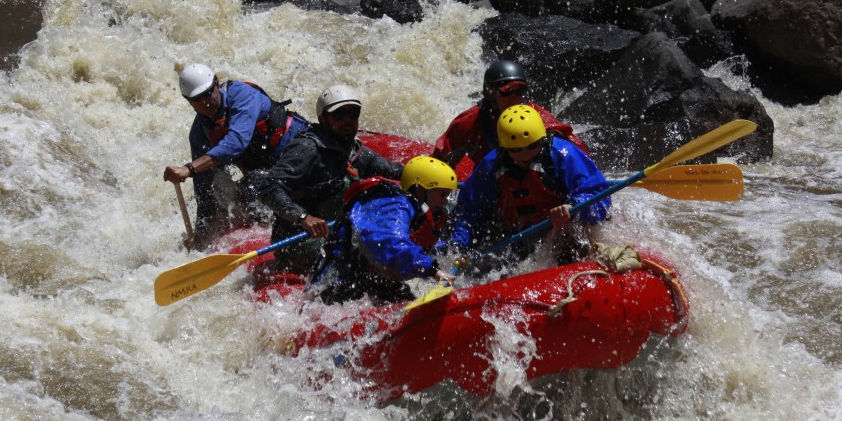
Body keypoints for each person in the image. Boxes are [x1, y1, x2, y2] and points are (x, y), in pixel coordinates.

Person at [255, 84, 403, 274]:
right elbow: (269, 187)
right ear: (323, 119)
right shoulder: (308, 148)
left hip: (335, 231)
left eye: (353, 114)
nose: (347, 120)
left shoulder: (356, 152)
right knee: (362, 255)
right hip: (300, 238)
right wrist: (303, 217)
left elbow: (396, 172)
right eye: (339, 115)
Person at [163, 63, 309, 249]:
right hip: (268, 170)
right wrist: (201, 235)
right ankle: (259, 241)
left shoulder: (242, 94)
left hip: (299, 151)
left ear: (217, 84)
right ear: (189, 101)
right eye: (198, 98)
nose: (207, 100)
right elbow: (204, 190)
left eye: (209, 92)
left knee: (254, 185)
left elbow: (237, 141)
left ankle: (286, 236)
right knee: (239, 197)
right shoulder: (199, 133)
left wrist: (189, 168)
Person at [450, 104, 611, 271]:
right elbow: (470, 213)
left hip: (560, 232)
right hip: (514, 236)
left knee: (571, 251)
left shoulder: (563, 154)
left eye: (533, 145)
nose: (525, 154)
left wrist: (574, 207)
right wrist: (459, 248)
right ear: (504, 148)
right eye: (517, 149)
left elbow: (598, 195)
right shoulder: (492, 166)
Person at [311, 156, 458, 305]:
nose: (446, 201)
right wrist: (433, 270)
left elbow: (421, 245)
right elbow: (390, 242)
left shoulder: (421, 211)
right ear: (420, 190)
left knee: (404, 297)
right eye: (442, 194)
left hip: (366, 278)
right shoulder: (393, 206)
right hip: (335, 282)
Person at [432, 59, 589, 169]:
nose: (514, 98)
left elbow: (575, 149)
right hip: (490, 184)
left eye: (519, 91)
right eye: (507, 92)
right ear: (491, 93)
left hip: (535, 182)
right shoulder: (471, 121)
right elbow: (441, 159)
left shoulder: (534, 115)